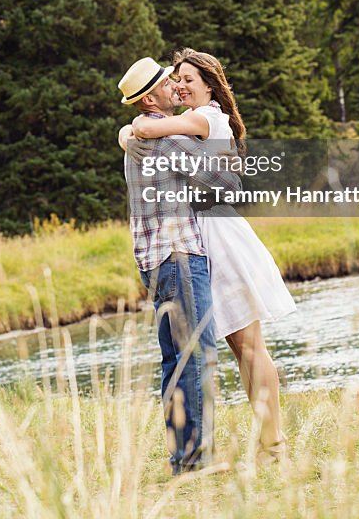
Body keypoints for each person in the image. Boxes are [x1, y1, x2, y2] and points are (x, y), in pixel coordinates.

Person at [120, 48, 295, 464]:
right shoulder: (174, 126)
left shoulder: (206, 118)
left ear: (209, 88)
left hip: (218, 238)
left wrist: (134, 130)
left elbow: (156, 132)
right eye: (174, 80)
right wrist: (132, 130)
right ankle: (262, 444)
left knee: (249, 346)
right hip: (199, 242)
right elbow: (145, 129)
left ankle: (273, 444)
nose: (179, 86)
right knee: (238, 348)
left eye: (186, 80)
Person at [117, 55, 239, 476]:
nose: (177, 88)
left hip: (153, 264)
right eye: (170, 83)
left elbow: (129, 136)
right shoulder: (168, 142)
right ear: (152, 97)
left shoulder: (136, 138)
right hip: (180, 257)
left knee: (174, 361)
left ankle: (181, 459)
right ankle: (195, 461)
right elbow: (228, 182)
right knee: (198, 356)